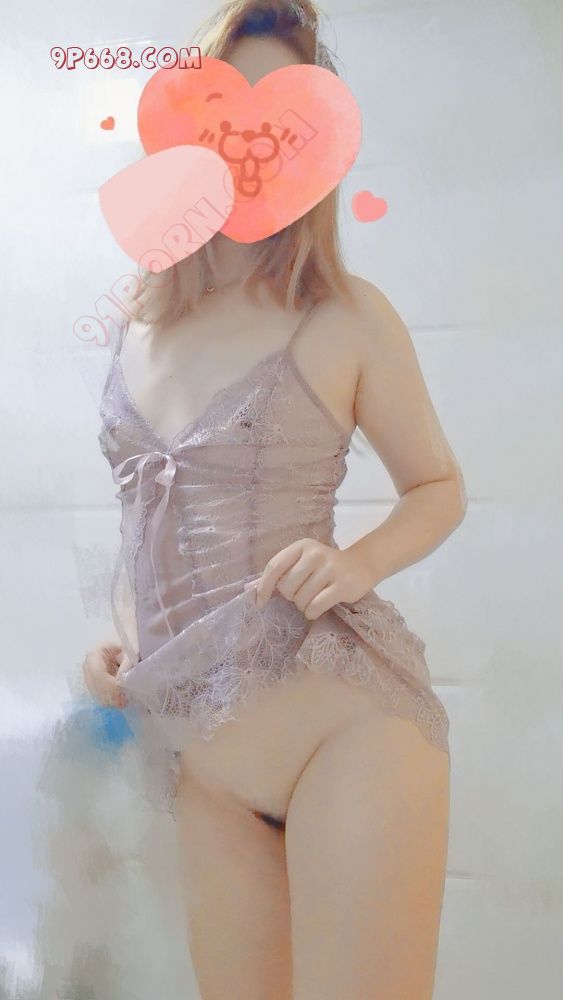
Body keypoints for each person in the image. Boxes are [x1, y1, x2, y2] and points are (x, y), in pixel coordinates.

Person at [82, 2, 467, 997]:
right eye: (225, 107)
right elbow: (144, 518)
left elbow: (437, 486)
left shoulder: (346, 316)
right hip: (196, 757)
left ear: (313, 144)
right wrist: (119, 636)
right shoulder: (135, 326)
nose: (247, 138)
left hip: (340, 734)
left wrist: (357, 561)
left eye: (277, 115)